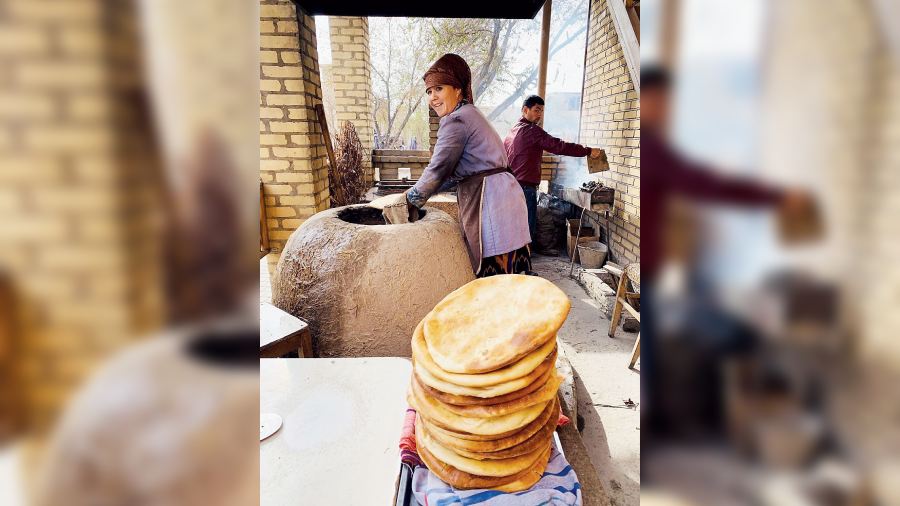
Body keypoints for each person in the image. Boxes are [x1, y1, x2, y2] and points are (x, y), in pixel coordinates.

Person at [402, 53, 532, 277]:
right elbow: (452, 175)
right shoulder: (471, 114)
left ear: (458, 89)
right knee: (513, 274)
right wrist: (426, 191)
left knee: (494, 276)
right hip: (506, 195)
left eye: (439, 89)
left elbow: (438, 169)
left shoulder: (456, 120)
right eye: (429, 91)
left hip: (491, 200)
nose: (433, 97)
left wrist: (410, 199)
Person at [503, 95, 604, 242]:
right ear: (525, 109)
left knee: (515, 226)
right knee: (527, 228)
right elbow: (559, 146)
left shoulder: (512, 131)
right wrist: (588, 151)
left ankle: (513, 260)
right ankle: (524, 261)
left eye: (542, 111)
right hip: (525, 188)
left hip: (511, 186)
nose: (540, 115)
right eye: (537, 110)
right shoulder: (532, 130)